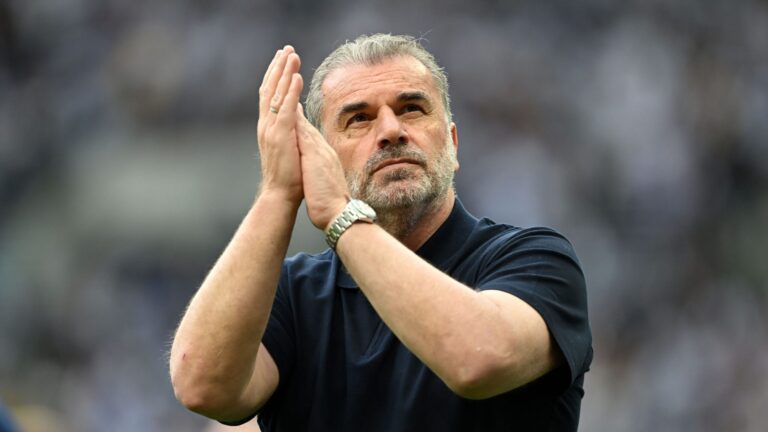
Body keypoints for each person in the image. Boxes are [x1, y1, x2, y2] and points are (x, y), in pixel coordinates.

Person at [169, 34, 592, 431]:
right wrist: (278, 193)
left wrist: (340, 215)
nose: (391, 131)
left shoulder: (535, 259)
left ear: (452, 142)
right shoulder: (293, 296)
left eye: (412, 109)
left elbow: (477, 360)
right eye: (359, 118)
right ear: (319, 156)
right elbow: (203, 387)